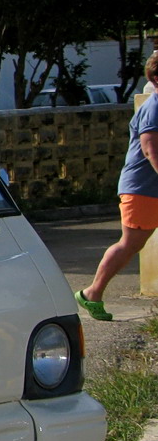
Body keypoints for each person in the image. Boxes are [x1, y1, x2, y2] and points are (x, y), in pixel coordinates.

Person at [76, 50, 158, 322]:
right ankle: (92, 293)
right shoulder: (154, 107)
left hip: (148, 189)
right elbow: (150, 150)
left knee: (133, 243)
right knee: (130, 244)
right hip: (142, 188)